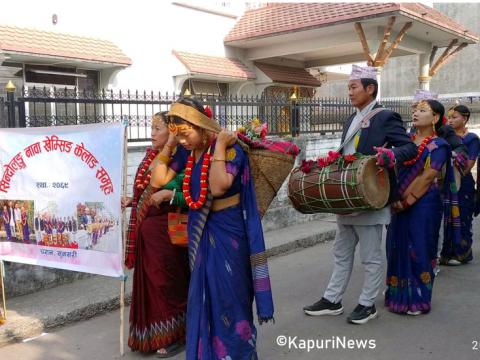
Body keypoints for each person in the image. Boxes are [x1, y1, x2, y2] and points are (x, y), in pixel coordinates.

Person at [151, 97, 274, 359]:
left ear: (203, 126)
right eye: (178, 135)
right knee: (203, 298)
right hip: (203, 231)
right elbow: (158, 179)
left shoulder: (231, 150)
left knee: (229, 298)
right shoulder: (187, 151)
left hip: (229, 235)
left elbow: (218, 186)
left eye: (186, 133)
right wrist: (172, 142)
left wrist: (218, 145)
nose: (183, 141)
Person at [303, 65, 417, 324]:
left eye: (354, 87)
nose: (350, 92)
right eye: (348, 88)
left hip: (370, 196)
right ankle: (332, 300)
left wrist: (390, 156)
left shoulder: (386, 116)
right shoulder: (350, 119)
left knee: (370, 256)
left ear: (370, 88)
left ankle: (368, 303)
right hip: (347, 199)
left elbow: (409, 148)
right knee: (341, 253)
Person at [123, 112, 190, 356]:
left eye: (157, 128)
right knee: (150, 285)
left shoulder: (179, 156)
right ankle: (149, 336)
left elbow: (164, 183)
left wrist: (171, 145)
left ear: (172, 131)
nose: (152, 133)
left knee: (167, 283)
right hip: (147, 234)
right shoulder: (153, 155)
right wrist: (132, 201)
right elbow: (146, 191)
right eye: (150, 128)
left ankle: (175, 335)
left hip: (166, 231)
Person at [385, 99, 459, 315]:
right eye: (415, 110)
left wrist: (405, 201)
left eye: (423, 110)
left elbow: (426, 178)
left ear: (435, 118)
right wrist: (393, 198)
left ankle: (418, 298)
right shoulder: (405, 143)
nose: (416, 113)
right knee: (396, 246)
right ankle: (397, 295)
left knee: (419, 247)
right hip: (398, 202)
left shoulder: (439, 145)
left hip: (424, 204)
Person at [441, 105, 479, 265]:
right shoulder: (445, 136)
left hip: (463, 183)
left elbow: (468, 165)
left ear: (464, 119)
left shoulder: (472, 139)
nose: (450, 120)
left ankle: (460, 253)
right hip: (445, 183)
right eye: (449, 117)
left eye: (454, 117)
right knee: (446, 217)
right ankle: (445, 253)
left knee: (462, 216)